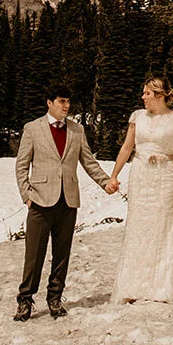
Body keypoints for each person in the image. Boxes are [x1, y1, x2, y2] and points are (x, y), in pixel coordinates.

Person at [13, 83, 115, 321]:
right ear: (49, 103)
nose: (66, 106)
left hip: (68, 201)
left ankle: (55, 298)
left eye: (68, 102)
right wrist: (27, 196)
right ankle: (25, 300)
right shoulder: (33, 128)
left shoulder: (77, 130)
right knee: (34, 255)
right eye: (61, 102)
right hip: (39, 200)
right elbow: (21, 165)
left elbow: (88, 162)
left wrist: (105, 182)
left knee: (62, 254)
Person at [107, 75, 173, 303]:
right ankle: (134, 285)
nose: (143, 97)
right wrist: (114, 175)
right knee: (139, 226)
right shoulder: (137, 117)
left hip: (164, 175)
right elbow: (126, 148)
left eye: (147, 93)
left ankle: (161, 286)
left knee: (162, 226)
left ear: (160, 95)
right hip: (141, 174)